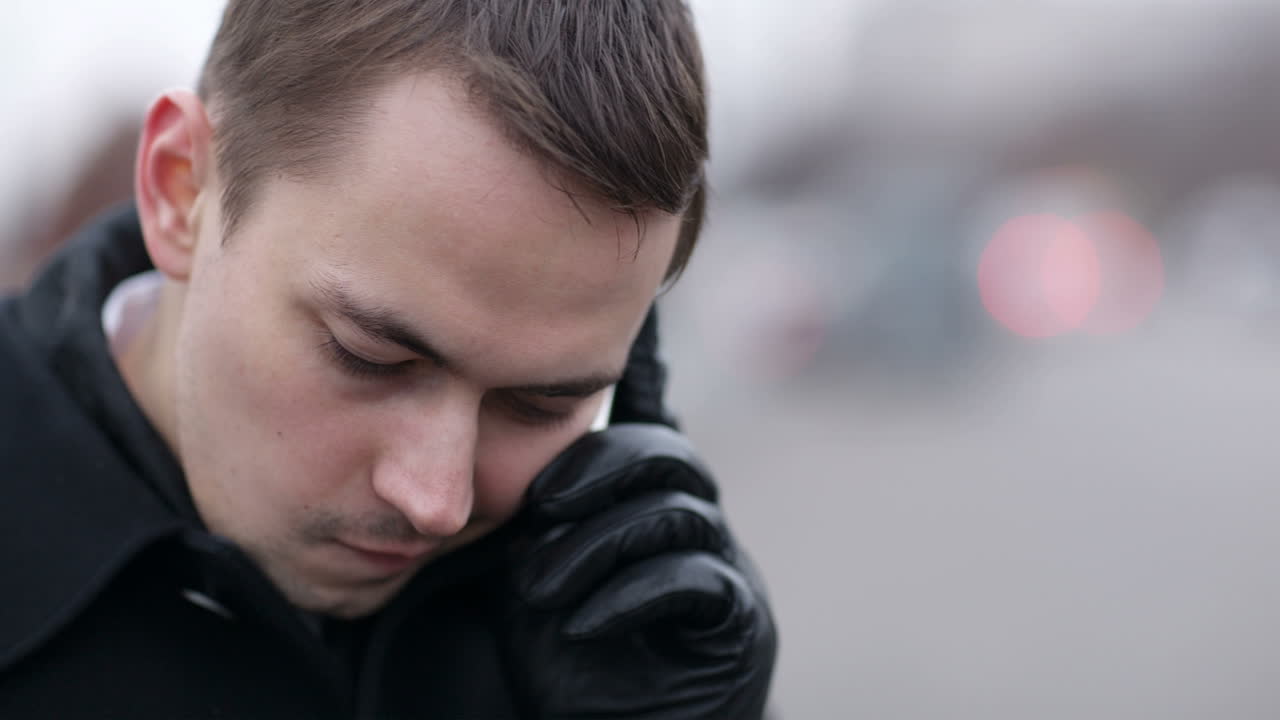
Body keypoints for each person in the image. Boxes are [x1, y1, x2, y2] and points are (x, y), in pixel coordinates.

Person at [0, 1, 776, 718]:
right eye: (368, 356)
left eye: (542, 404)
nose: (436, 502)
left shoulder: (610, 632)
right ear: (181, 190)